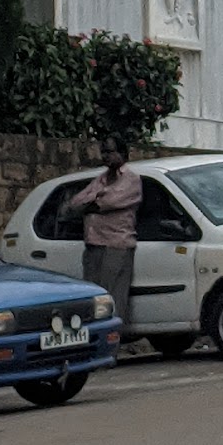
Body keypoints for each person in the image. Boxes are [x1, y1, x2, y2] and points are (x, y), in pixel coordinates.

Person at [66, 134, 142, 329]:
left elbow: (108, 202)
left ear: (123, 153)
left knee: (112, 298)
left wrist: (93, 201)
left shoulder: (131, 179)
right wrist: (95, 199)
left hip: (116, 245)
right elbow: (75, 203)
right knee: (94, 298)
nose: (106, 156)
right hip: (94, 244)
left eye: (110, 151)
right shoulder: (100, 179)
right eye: (104, 152)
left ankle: (113, 338)